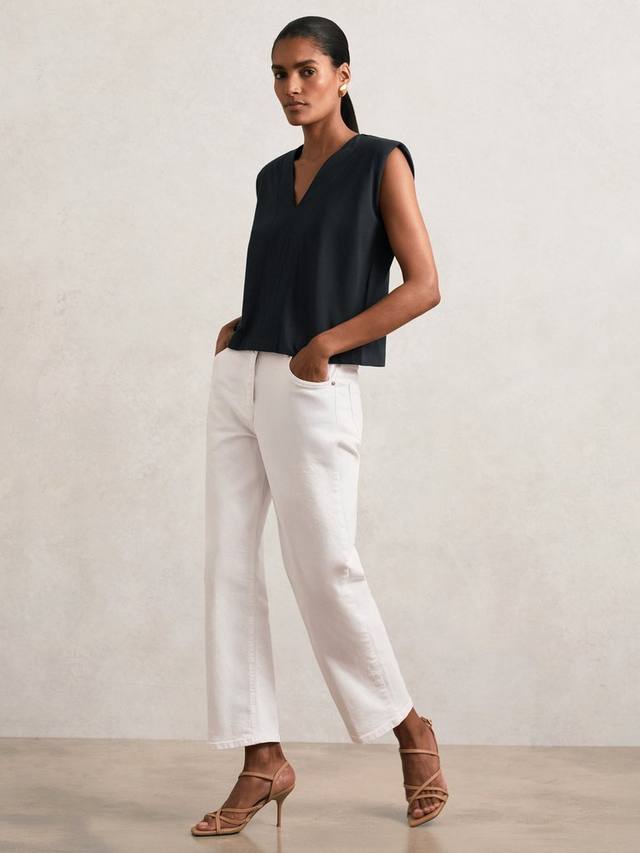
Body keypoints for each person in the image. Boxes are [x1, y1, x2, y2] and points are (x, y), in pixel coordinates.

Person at [191, 16, 448, 836]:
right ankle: (260, 755)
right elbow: (287, 275)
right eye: (279, 74)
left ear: (342, 74)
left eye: (306, 70)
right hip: (242, 377)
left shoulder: (381, 160)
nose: (291, 88)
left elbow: (424, 284)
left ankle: (410, 728)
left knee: (325, 565)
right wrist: (243, 327)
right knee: (229, 564)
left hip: (312, 382)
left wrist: (330, 343)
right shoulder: (273, 176)